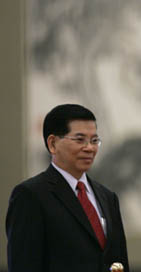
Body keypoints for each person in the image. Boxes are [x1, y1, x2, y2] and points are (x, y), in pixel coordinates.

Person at [6, 104, 130, 272]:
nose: (90, 148)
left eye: (94, 141)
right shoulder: (31, 195)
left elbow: (118, 262)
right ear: (52, 144)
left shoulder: (108, 197)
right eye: (80, 140)